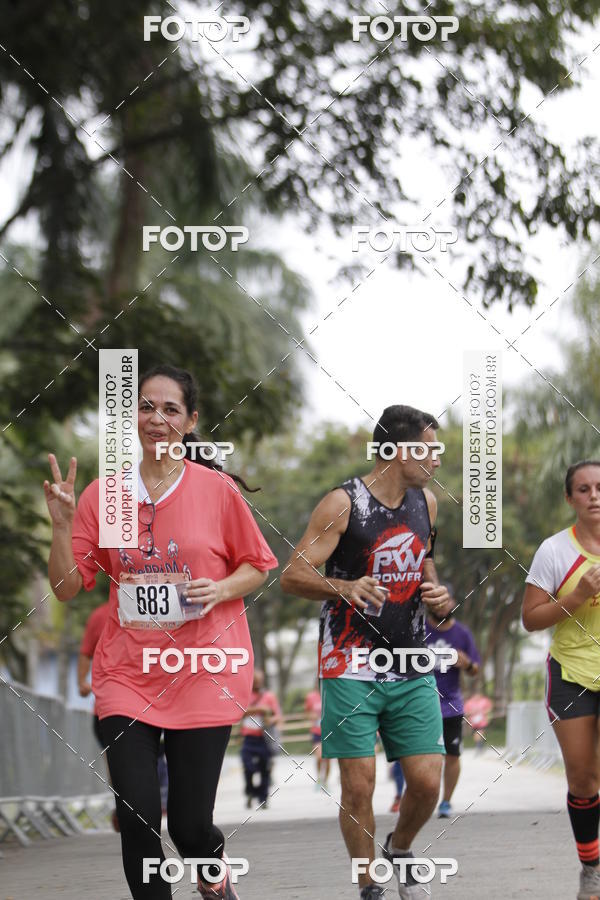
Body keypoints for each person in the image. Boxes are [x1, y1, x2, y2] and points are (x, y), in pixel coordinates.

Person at [45, 364, 279, 900]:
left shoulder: (215, 490)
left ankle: (212, 872)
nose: (157, 418)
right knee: (138, 817)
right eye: (146, 406)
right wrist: (61, 527)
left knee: (190, 827)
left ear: (190, 420)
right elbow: (67, 586)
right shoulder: (110, 497)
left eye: (170, 409)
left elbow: (257, 566)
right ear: (134, 417)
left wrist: (220, 590)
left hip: (203, 672)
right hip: (128, 674)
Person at [281, 404, 450, 900]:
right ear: (399, 452)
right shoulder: (342, 503)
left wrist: (438, 596)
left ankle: (399, 848)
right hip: (349, 662)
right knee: (360, 784)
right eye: (430, 448)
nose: (437, 459)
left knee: (426, 781)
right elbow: (292, 574)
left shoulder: (428, 503)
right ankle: (368, 883)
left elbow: (426, 565)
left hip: (410, 660)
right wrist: (344, 587)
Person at [522, 459, 600, 900]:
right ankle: (592, 867)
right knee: (584, 780)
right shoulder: (555, 551)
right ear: (570, 499)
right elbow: (531, 619)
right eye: (584, 489)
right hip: (571, 673)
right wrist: (578, 595)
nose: (595, 496)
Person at [424, 588, 480, 818]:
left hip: (451, 706)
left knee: (452, 755)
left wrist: (466, 664)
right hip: (422, 704)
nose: (442, 606)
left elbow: (475, 669)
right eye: (438, 602)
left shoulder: (462, 634)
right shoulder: (419, 630)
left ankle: (445, 801)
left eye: (447, 602)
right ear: (429, 604)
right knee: (424, 757)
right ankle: (422, 800)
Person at [78, 601, 121, 831]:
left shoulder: (163, 605)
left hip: (160, 704)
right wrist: (81, 682)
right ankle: (124, 808)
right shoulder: (100, 615)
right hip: (109, 707)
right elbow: (86, 652)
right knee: (117, 764)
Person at [240, 669, 282, 809]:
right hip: (248, 738)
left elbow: (277, 716)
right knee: (248, 767)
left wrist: (271, 720)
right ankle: (251, 790)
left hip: (264, 738)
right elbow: (239, 712)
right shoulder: (243, 695)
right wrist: (261, 710)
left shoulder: (269, 696)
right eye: (254, 680)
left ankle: (263, 798)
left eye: (259, 680)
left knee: (265, 769)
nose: (257, 683)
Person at [304, 681, 330, 788]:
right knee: (319, 757)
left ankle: (325, 781)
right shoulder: (311, 697)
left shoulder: (330, 694)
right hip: (316, 731)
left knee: (327, 758)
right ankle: (319, 777)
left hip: (328, 731)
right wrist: (312, 716)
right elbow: (307, 712)